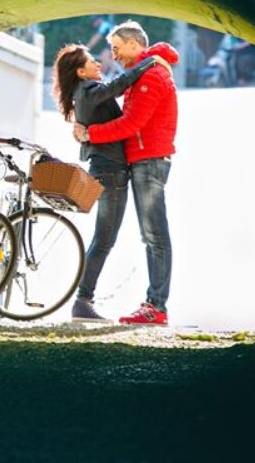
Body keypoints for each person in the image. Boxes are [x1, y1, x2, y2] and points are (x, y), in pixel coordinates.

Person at [74, 20, 179, 326]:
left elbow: (131, 124)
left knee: (155, 235)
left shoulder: (151, 77)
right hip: (142, 160)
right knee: (151, 236)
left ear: (134, 44)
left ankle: (156, 306)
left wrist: (89, 135)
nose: (114, 56)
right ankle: (154, 304)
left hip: (149, 161)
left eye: (117, 49)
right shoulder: (143, 74)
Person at [52, 44, 161, 321]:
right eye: (92, 62)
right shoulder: (88, 90)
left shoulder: (83, 93)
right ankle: (83, 301)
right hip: (111, 172)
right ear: (80, 71)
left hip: (107, 169)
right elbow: (120, 84)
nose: (99, 64)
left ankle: (83, 300)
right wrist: (150, 63)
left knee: (103, 239)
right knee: (104, 240)